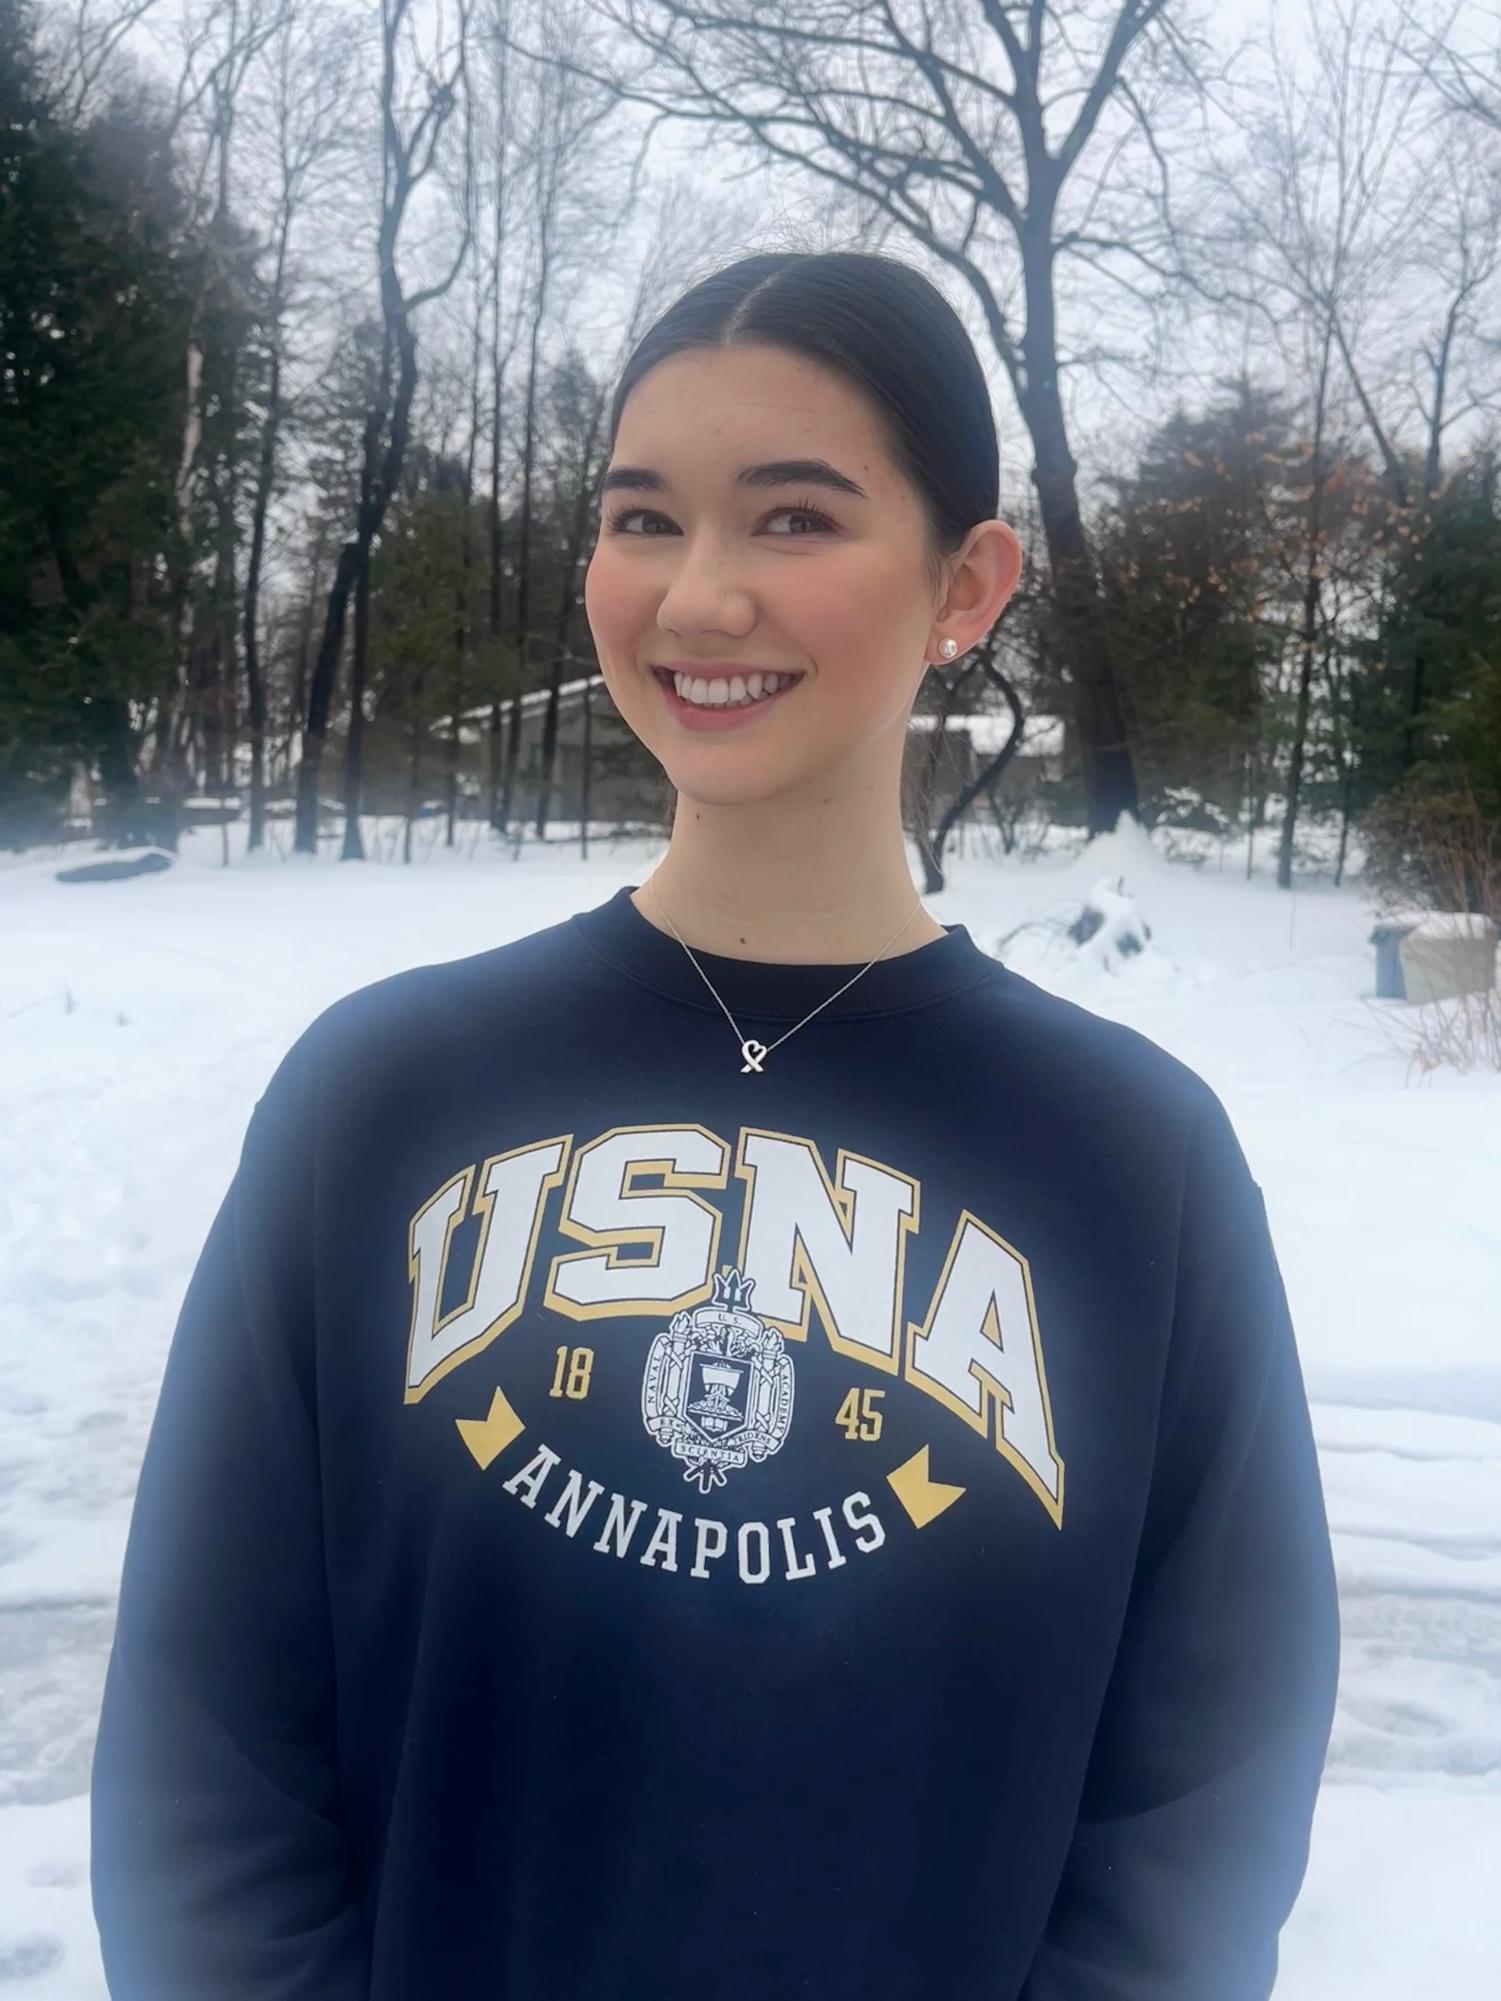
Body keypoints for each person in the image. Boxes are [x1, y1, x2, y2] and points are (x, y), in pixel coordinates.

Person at [90, 249, 1341, 2001]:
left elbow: (1201, 1798)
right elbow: (206, 1739)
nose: (697, 597)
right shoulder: (383, 1093)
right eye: (643, 517)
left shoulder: (1129, 1157)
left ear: (965, 580)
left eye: (795, 519)